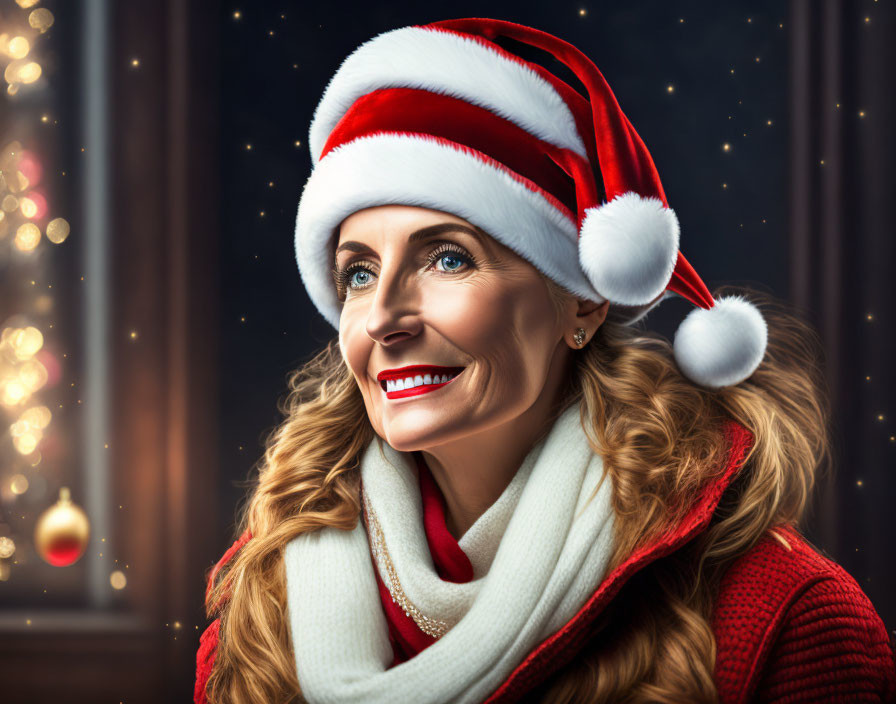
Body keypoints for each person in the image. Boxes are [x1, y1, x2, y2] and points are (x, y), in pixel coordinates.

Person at [195, 17, 896, 704]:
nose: (383, 318)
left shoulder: (787, 621)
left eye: (447, 258)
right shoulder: (258, 607)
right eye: (358, 273)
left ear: (583, 306)